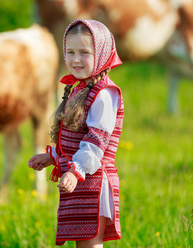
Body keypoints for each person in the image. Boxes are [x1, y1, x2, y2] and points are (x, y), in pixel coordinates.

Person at [28, 19, 124, 247]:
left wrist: (75, 170)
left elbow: (95, 141)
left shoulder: (104, 93)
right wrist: (52, 157)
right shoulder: (80, 87)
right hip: (80, 177)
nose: (76, 59)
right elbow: (75, 137)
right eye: (70, 52)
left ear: (101, 54)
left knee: (90, 243)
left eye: (84, 52)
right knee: (82, 242)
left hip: (94, 179)